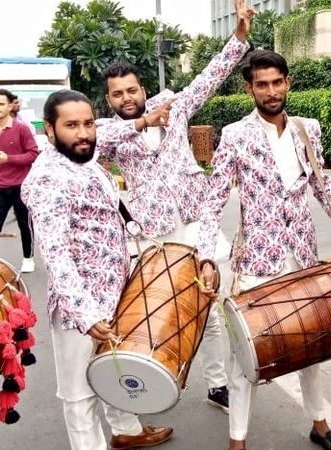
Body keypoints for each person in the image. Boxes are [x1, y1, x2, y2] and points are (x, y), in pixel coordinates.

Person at [94, 0, 257, 412]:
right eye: (117, 94)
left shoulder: (174, 107)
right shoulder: (109, 129)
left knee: (214, 305)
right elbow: (93, 142)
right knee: (161, 309)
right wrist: (141, 124)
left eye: (132, 90)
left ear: (143, 89)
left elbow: (208, 79)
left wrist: (238, 37)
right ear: (109, 99)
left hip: (198, 221)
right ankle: (155, 375)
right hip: (157, 234)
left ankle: (218, 383)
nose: (126, 98)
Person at [196, 50, 331, 450]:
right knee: (244, 356)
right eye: (261, 84)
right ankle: (238, 440)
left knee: (311, 348)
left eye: (276, 82)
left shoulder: (307, 130)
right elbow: (211, 202)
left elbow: (324, 188)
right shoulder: (234, 135)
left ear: (288, 82)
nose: (270, 91)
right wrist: (206, 256)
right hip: (256, 263)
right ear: (249, 88)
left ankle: (319, 425)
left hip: (301, 257)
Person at [21, 89, 176, 450]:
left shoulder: (83, 159)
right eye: (71, 125)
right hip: (82, 309)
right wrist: (86, 313)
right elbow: (55, 254)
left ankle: (127, 430)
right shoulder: (49, 178)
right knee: (79, 396)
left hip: (113, 295)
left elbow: (112, 134)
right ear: (50, 129)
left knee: (112, 373)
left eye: (88, 123)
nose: (84, 133)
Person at [0, 88, 38, 272]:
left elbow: (32, 154)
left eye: (1, 104)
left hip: (21, 185)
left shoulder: (21, 129)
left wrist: (9, 158)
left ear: (9, 106)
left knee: (25, 223)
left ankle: (28, 258)